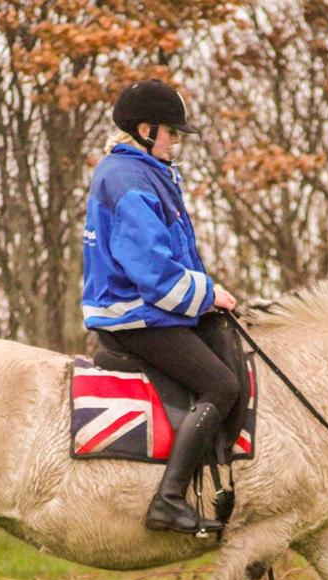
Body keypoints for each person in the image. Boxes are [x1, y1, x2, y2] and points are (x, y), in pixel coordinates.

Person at [82, 79, 239, 535]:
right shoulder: (129, 178)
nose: (176, 141)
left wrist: (210, 294)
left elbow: (175, 258)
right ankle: (168, 500)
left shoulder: (146, 172)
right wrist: (207, 294)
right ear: (146, 129)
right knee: (220, 385)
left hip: (155, 309)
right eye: (171, 131)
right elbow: (150, 270)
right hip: (136, 315)